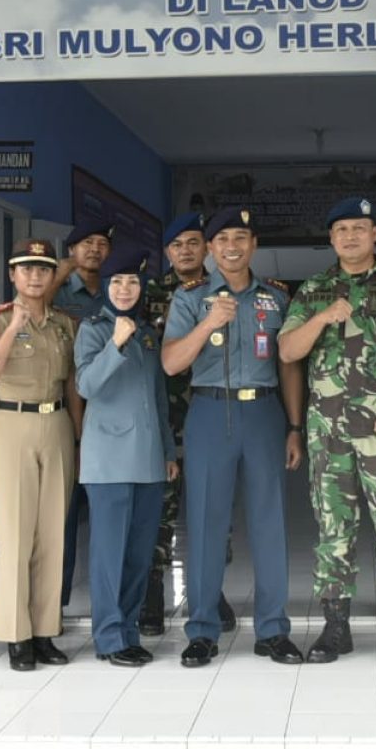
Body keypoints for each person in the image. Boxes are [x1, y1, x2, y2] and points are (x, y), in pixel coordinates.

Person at [279, 196, 376, 667]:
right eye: (341, 229)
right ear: (331, 239)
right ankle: (335, 628)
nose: (350, 236)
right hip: (329, 435)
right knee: (333, 530)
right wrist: (323, 317)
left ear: (374, 235)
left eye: (359, 228)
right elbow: (288, 351)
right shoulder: (313, 290)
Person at [162, 207, 304, 668]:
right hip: (209, 410)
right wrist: (208, 323)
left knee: (269, 523)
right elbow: (170, 363)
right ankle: (202, 630)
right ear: (209, 248)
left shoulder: (277, 299)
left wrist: (295, 426)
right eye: (221, 239)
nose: (231, 247)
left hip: (264, 412)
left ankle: (273, 630)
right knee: (205, 522)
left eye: (240, 237)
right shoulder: (190, 299)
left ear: (254, 244)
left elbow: (288, 365)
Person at [0, 239, 82, 671]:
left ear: (53, 275)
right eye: (26, 269)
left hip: (54, 423)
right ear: (12, 275)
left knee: (52, 534)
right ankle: (16, 636)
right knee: (15, 534)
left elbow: (72, 384)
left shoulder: (64, 325)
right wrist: (13, 328)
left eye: (43, 269)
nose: (35, 276)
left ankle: (43, 630)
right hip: (12, 425)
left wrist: (76, 434)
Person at [75, 241, 178, 666]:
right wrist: (114, 345)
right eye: (116, 281)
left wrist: (169, 452)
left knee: (139, 554)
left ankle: (129, 630)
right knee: (109, 554)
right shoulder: (94, 329)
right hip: (109, 461)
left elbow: (158, 398)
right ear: (106, 286)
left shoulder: (150, 335)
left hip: (149, 460)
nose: (123, 289)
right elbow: (85, 387)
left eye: (131, 281)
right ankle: (109, 636)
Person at [142, 212, 236, 636]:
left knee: (212, 505)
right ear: (167, 252)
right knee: (161, 506)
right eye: (177, 244)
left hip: (208, 413)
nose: (186, 251)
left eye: (194, 243)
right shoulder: (145, 293)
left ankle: (210, 591)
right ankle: (152, 593)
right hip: (161, 414)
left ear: (208, 249)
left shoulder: (226, 289)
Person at [49, 218, 112, 609]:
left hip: (106, 408)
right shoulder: (54, 287)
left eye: (101, 243)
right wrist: (59, 273)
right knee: (62, 513)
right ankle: (54, 603)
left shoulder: (113, 290)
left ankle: (110, 601)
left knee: (106, 509)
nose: (93, 249)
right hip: (61, 406)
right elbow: (31, 307)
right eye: (85, 242)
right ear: (70, 249)